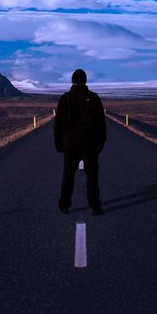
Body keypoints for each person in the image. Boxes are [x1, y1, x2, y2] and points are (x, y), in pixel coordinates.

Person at [54, 68, 107, 215]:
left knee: (68, 175)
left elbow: (57, 123)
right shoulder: (94, 98)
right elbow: (101, 123)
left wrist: (58, 143)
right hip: (90, 143)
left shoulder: (65, 98)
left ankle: (64, 204)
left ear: (72, 81)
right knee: (92, 176)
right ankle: (95, 206)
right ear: (85, 81)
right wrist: (101, 142)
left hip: (70, 143)